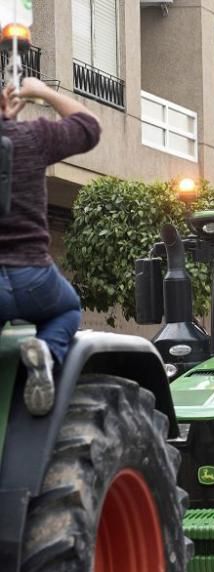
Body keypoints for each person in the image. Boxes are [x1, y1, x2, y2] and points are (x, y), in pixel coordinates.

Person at [0, 77, 102, 416]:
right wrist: (41, 92)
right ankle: (46, 350)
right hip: (35, 276)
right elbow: (88, 126)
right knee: (67, 308)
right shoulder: (31, 138)